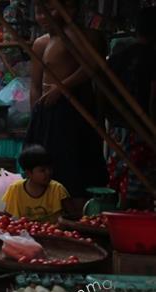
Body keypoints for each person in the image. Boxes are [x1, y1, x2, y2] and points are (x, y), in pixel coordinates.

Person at [26, 0, 108, 198]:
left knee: (75, 166)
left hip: (74, 108)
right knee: (44, 163)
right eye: (39, 12)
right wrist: (36, 116)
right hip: (46, 112)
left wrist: (62, 88)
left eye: (50, 11)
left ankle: (78, 209)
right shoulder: (40, 43)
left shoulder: (85, 37)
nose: (43, 17)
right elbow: (35, 85)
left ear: (68, 10)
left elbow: (92, 65)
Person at [106, 6, 156, 209]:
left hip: (119, 125)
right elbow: (153, 97)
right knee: (139, 177)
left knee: (123, 174)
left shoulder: (119, 55)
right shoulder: (150, 57)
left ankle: (124, 212)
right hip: (140, 127)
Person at [0, 145, 71, 224]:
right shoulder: (16, 189)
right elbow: (8, 216)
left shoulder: (58, 189)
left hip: (52, 236)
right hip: (26, 234)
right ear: (28, 173)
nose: (48, 173)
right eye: (42, 170)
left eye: (50, 169)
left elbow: (72, 215)